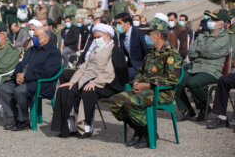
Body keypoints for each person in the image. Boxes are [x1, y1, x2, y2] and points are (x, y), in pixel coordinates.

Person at [108, 14, 182, 148]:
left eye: (149, 33)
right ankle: (140, 130)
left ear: (157, 35)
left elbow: (171, 80)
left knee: (131, 102)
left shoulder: (172, 54)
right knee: (115, 102)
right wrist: (136, 83)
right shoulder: (150, 53)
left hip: (161, 93)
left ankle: (147, 134)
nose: (146, 36)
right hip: (144, 90)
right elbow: (141, 72)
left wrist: (148, 85)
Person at [51, 23, 129, 138]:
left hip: (105, 83)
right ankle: (69, 126)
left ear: (108, 36)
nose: (96, 40)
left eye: (99, 37)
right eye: (95, 37)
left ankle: (85, 127)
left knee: (86, 91)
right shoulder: (95, 50)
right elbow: (83, 68)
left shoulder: (114, 50)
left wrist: (95, 83)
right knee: (64, 90)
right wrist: (72, 81)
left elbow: (110, 72)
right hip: (86, 79)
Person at [0, 26, 62, 131]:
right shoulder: (31, 50)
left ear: (46, 38)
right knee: (3, 88)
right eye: (33, 36)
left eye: (37, 36)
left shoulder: (53, 52)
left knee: (20, 91)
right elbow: (20, 64)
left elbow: (47, 72)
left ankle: (24, 121)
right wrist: (18, 74)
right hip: (24, 80)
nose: (34, 38)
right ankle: (16, 117)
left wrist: (26, 76)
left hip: (41, 83)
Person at [176, 10, 230, 122]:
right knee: (177, 82)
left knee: (193, 83)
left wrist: (199, 51)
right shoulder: (202, 35)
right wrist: (200, 52)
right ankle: (187, 110)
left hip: (211, 70)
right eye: (210, 19)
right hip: (195, 67)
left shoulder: (224, 37)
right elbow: (191, 52)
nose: (210, 21)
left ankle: (204, 107)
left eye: (214, 20)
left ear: (221, 24)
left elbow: (209, 51)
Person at [116, 13, 148, 81]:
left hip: (140, 66)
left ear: (127, 24)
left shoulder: (139, 32)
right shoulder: (122, 35)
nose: (117, 26)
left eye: (119, 23)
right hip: (129, 64)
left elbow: (147, 52)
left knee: (123, 76)